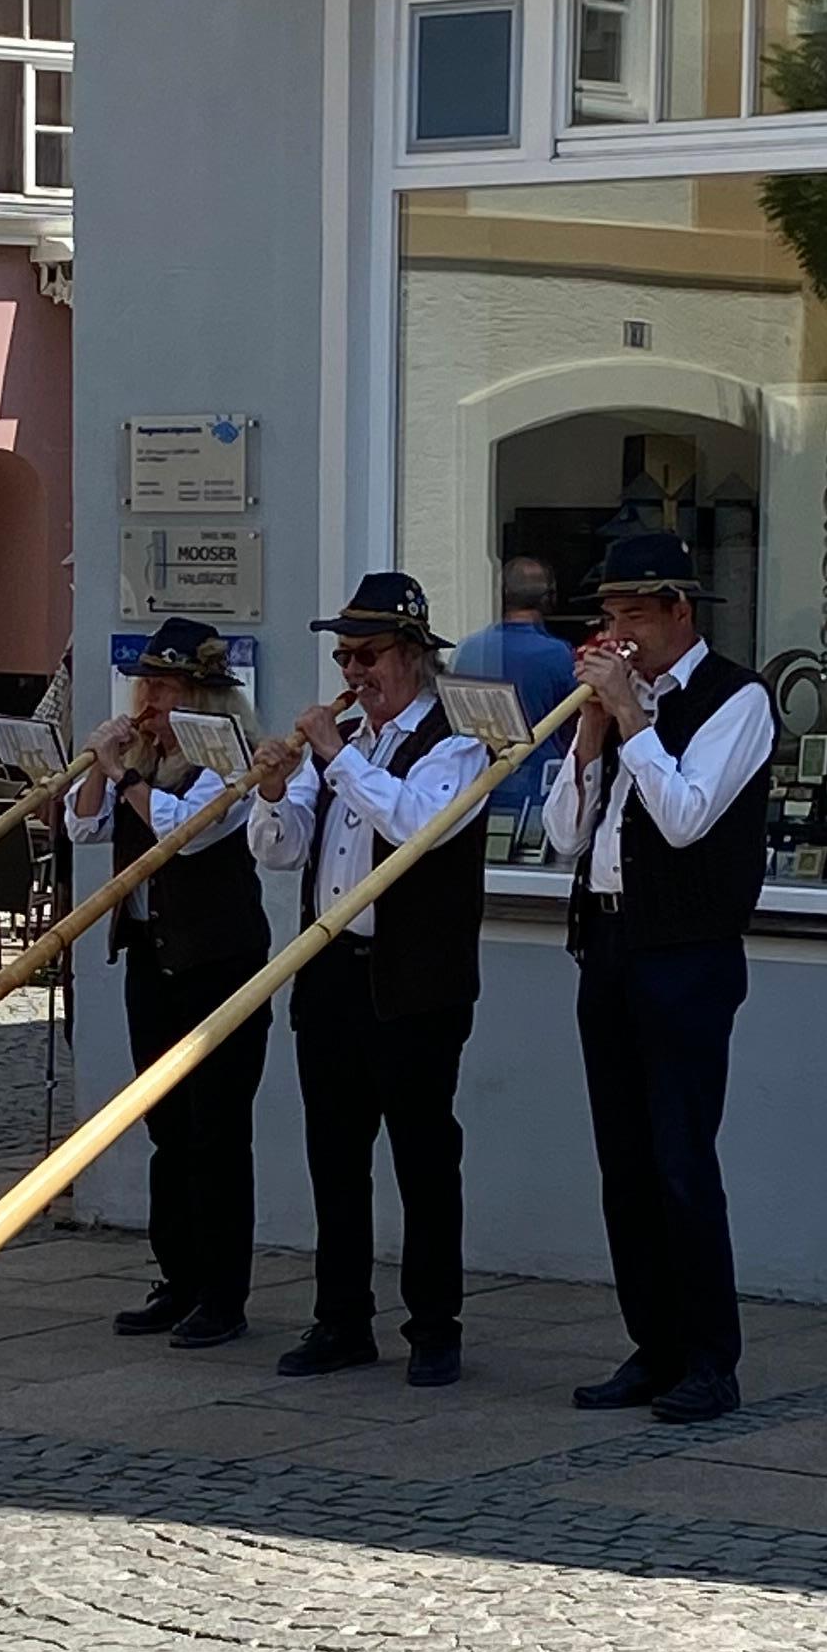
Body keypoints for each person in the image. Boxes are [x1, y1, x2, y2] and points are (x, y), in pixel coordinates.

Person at [546, 532, 777, 1427]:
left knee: (682, 1161)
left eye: (637, 615)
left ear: (683, 611)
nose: (620, 635)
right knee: (624, 1165)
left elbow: (684, 818)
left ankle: (710, 1359)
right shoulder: (620, 705)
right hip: (605, 945)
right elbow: (567, 836)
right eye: (610, 617)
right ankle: (653, 1343)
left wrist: (632, 721)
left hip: (686, 954)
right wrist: (592, 731)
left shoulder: (738, 699)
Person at [248, 569, 489, 1388]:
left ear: (415, 655)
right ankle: (341, 1319)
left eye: (368, 655)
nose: (353, 673)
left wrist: (332, 754)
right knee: (335, 1157)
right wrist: (277, 793)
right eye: (345, 657)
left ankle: (434, 1328)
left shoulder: (456, 741)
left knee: (424, 1159)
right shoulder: (354, 749)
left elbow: (417, 826)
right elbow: (281, 852)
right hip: (331, 974)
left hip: (414, 982)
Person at [62, 618, 269, 1347]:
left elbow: (185, 831)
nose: (147, 699)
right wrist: (98, 764)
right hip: (152, 956)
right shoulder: (141, 760)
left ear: (200, 697)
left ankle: (222, 1293)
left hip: (220, 963)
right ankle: (176, 1276)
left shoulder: (225, 762)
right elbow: (83, 829)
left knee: (217, 1132)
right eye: (144, 683)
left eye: (163, 686)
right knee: (166, 1127)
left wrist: (125, 777)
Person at [454, 550, 579, 854]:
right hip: (538, 793)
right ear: (550, 598)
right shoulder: (559, 655)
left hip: (476, 787)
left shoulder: (468, 649)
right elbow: (578, 728)